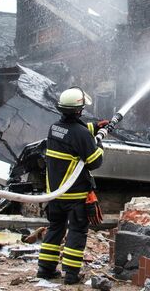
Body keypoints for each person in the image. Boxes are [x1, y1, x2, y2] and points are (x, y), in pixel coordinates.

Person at [37, 87, 105, 285]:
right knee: (77, 232)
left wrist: (95, 127)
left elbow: (72, 133)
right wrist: (99, 145)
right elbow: (94, 162)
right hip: (75, 195)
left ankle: (45, 269)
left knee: (55, 229)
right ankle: (71, 275)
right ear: (79, 110)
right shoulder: (81, 134)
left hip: (55, 194)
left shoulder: (54, 128)